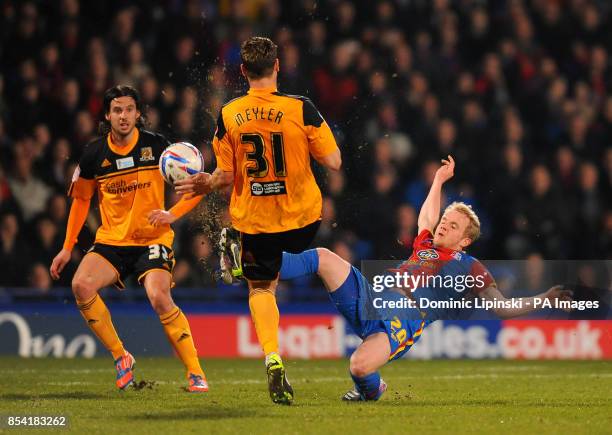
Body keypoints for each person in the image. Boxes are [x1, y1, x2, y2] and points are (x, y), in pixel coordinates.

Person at [276, 155, 573, 401]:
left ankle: (371, 390)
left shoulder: (470, 267)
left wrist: (544, 298)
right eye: (445, 221)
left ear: (465, 240)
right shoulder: (426, 245)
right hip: (373, 296)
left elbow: (501, 307)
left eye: (453, 225)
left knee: (359, 365)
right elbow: (427, 218)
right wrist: (439, 180)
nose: (443, 226)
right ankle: (259, 265)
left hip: (402, 321)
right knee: (324, 258)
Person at [175, 36, 341, 404]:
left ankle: (272, 356)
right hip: (303, 220)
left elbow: (224, 177)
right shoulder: (302, 108)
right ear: (278, 65)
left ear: (243, 71)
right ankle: (262, 261)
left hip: (256, 222)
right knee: (298, 257)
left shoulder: (230, 113)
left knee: (262, 288)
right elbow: (334, 161)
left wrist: (204, 181)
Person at [49, 85, 208, 392]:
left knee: (159, 296)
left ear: (138, 114)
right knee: (81, 285)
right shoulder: (94, 155)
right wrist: (67, 248)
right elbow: (81, 201)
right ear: (107, 115)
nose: (124, 116)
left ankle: (196, 374)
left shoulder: (157, 146)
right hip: (112, 241)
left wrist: (172, 214)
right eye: (117, 110)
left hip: (153, 239)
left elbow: (196, 186)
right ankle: (121, 356)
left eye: (130, 110)